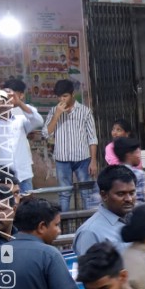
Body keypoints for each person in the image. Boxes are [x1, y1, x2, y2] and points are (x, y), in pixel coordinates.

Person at [44, 79, 99, 212]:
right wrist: (57, 115)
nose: (61, 99)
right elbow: (46, 133)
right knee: (64, 193)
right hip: (62, 159)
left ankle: (88, 222)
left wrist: (93, 161)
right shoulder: (53, 111)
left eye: (65, 96)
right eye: (59, 96)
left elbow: (92, 138)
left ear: (72, 94)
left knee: (86, 193)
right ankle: (64, 226)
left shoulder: (85, 111)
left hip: (83, 159)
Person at [0, 80, 44, 194]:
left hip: (23, 175)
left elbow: (38, 121)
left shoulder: (20, 115)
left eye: (8, 97)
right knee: (3, 209)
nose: (5, 100)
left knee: (27, 209)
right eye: (2, 97)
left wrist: (19, 103)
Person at [74, 164, 138, 255]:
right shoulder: (90, 232)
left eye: (132, 193)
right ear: (104, 195)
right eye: (121, 194)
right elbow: (90, 268)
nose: (129, 199)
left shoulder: (137, 221)